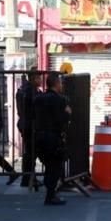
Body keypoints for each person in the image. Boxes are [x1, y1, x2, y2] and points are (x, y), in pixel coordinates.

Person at [33, 73, 72, 206]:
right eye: (60, 83)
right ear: (56, 84)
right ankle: (50, 195)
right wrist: (67, 113)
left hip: (39, 136)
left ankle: (51, 191)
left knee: (49, 165)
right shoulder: (60, 100)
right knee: (55, 166)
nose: (61, 85)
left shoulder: (38, 99)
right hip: (52, 137)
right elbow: (60, 120)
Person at [16, 73, 43, 187]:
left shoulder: (24, 89)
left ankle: (28, 178)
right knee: (31, 153)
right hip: (30, 125)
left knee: (29, 153)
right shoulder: (30, 91)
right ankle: (29, 178)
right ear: (32, 78)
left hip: (25, 124)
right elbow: (34, 109)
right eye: (38, 78)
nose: (40, 80)